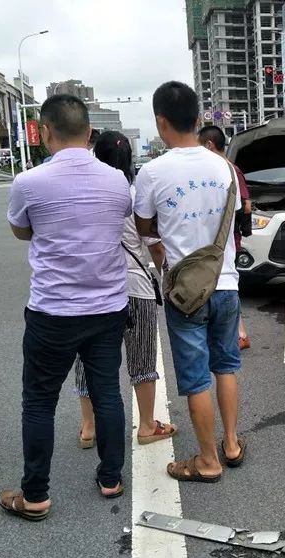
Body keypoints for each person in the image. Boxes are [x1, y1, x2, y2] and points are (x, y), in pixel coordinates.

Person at [0, 94, 132, 521]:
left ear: (46, 133)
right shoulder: (117, 181)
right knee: (107, 391)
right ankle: (111, 478)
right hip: (108, 307)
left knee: (39, 401)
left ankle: (35, 495)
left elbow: (22, 232)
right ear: (89, 133)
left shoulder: (28, 182)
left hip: (53, 311)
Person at [135, 81, 245, 483]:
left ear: (161, 122)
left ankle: (207, 460)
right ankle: (231, 444)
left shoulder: (152, 173)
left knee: (196, 376)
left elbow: (144, 226)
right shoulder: (224, 166)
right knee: (227, 366)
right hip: (227, 283)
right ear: (198, 120)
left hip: (186, 292)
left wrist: (161, 249)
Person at [74, 130, 175, 449]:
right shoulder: (136, 196)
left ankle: (88, 427)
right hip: (137, 287)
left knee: (87, 357)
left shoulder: (83, 196)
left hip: (92, 288)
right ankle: (147, 425)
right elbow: (156, 247)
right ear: (130, 160)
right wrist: (164, 278)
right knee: (142, 358)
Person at [198, 124, 252, 350]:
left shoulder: (228, 169)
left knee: (224, 284)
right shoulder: (224, 169)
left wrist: (237, 227)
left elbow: (246, 205)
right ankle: (238, 333)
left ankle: (240, 334)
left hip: (226, 242)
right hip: (222, 241)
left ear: (209, 145)